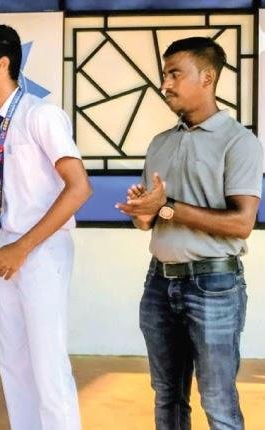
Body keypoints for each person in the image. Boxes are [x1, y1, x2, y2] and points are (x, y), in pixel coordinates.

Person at [0, 24, 92, 430]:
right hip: (9, 251)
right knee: (13, 362)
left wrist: (23, 247)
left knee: (48, 363)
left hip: (42, 250)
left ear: (2, 64)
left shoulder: (40, 115)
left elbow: (79, 188)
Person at [116, 37, 262, 430]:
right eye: (164, 74)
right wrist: (142, 212)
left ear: (207, 78)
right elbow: (148, 221)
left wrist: (167, 206)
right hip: (158, 283)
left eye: (175, 74)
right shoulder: (160, 143)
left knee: (218, 401)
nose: (165, 84)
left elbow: (241, 223)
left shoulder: (239, 142)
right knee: (167, 396)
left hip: (214, 285)